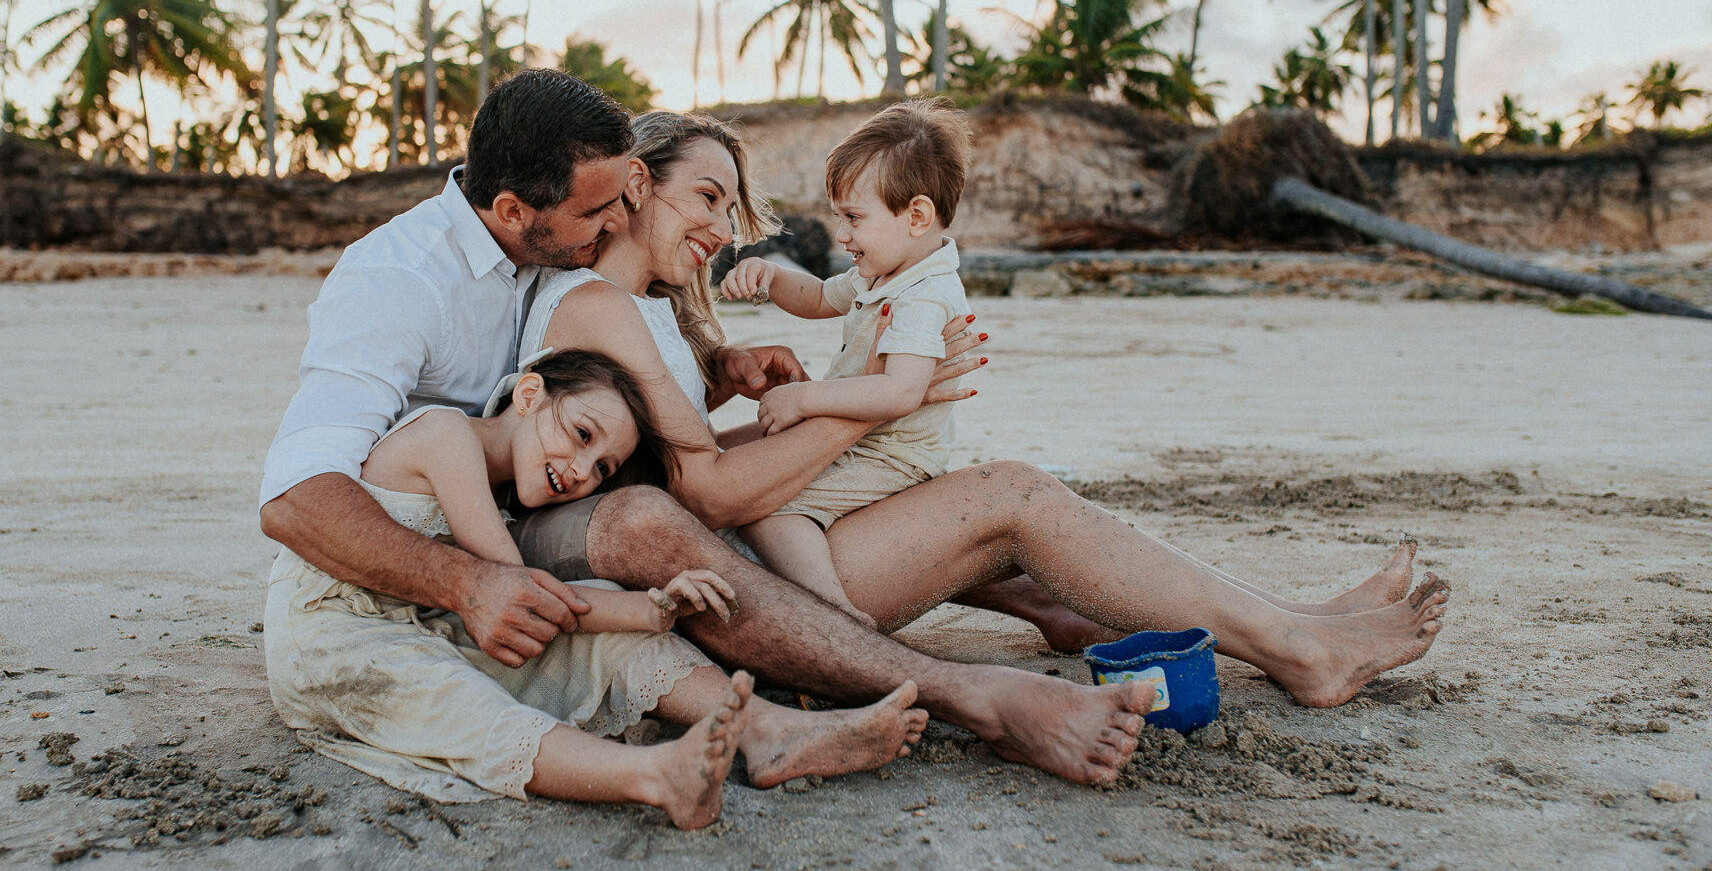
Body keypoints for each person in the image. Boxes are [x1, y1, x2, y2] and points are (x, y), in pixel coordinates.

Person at [260, 70, 1156, 790]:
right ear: (512, 212)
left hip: (523, 521)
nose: (619, 218)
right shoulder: (398, 281)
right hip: (447, 550)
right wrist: (864, 402)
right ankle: (973, 694)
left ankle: (1037, 602)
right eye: (599, 211)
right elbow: (296, 498)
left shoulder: (558, 258)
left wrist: (723, 376)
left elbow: (625, 412)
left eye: (625, 196)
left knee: (663, 598)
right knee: (651, 532)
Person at [520, 108, 1450, 748]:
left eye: (729, 206)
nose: (726, 229)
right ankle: (1297, 646)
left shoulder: (644, 308)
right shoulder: (599, 303)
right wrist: (878, 399)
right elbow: (702, 495)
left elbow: (678, 463)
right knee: (1014, 496)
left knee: (1005, 515)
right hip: (748, 584)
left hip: (745, 550)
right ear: (637, 184)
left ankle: (1294, 621)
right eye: (708, 198)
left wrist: (743, 382)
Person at [263, 348, 928, 828]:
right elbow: (524, 591)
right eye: (580, 434)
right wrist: (642, 606)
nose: (581, 469)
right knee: (453, 697)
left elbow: (536, 600)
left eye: (603, 468)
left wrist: (654, 609)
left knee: (612, 635)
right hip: (334, 630)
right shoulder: (445, 436)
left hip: (430, 617)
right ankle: (654, 776)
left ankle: (772, 731)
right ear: (529, 394)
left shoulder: (504, 488)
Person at [719, 100, 973, 625]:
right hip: (863, 439)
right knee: (741, 459)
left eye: (854, 217)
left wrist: (803, 398)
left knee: (769, 505)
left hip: (892, 455)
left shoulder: (923, 295)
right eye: (839, 217)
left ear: (917, 216)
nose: (841, 234)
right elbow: (817, 297)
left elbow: (900, 392)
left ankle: (834, 613)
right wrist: (770, 275)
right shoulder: (883, 273)